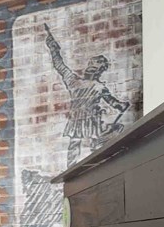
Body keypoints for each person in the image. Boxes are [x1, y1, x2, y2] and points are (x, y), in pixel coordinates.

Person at [44, 23, 130, 166]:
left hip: (88, 120)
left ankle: (87, 165)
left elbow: (60, 65)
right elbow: (114, 103)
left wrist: (53, 49)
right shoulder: (85, 84)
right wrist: (53, 48)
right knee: (83, 143)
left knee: (82, 143)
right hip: (84, 120)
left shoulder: (83, 83)